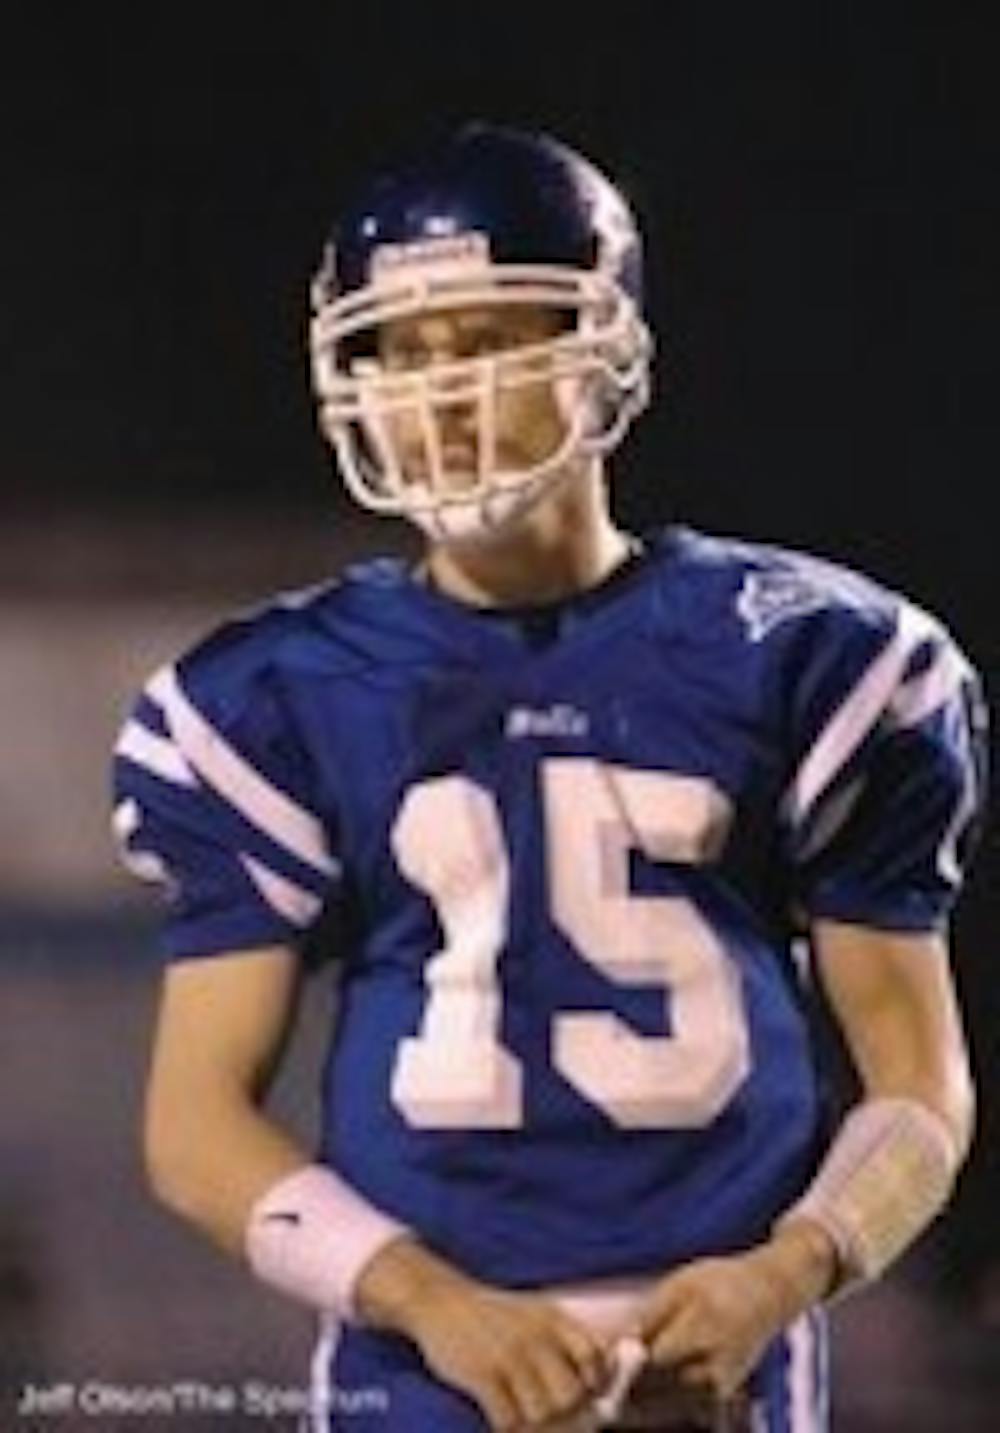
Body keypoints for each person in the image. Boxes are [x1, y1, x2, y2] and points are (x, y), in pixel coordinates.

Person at [112, 123, 986, 1432]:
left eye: (488, 342)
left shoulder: (809, 655)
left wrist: (785, 1273)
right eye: (405, 352)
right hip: (419, 1375)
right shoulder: (277, 694)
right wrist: (431, 1301)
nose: (444, 395)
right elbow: (191, 1128)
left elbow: (919, 1086)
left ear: (601, 350)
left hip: (728, 1367)